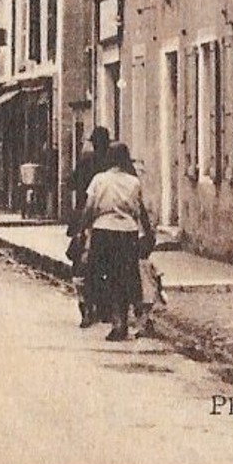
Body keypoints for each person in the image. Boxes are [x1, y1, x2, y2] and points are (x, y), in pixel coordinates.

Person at [80, 142, 154, 341]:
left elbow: (89, 207)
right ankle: (126, 321)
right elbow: (138, 210)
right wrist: (145, 231)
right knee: (125, 278)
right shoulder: (133, 182)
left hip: (103, 231)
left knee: (104, 277)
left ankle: (116, 322)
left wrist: (83, 228)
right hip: (127, 233)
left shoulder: (99, 180)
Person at [67, 127, 114, 326]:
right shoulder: (113, 163)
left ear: (94, 143)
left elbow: (71, 183)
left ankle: (87, 308)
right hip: (106, 219)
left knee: (82, 266)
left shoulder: (86, 160)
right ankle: (105, 309)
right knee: (106, 265)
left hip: (86, 218)